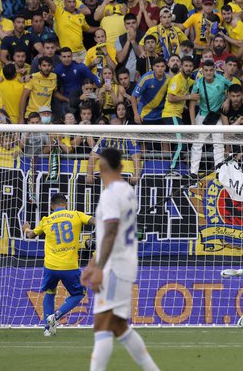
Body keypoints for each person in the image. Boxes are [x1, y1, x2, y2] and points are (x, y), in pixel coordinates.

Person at [81, 148, 160, 371]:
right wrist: (92, 264)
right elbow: (109, 234)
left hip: (114, 266)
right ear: (122, 167)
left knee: (101, 325)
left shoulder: (110, 195)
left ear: (100, 167)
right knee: (118, 326)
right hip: (124, 262)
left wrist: (99, 267)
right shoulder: (127, 190)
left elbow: (112, 231)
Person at [23, 193, 96, 336]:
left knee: (50, 292)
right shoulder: (76, 215)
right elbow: (95, 221)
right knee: (79, 293)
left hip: (50, 267)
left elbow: (31, 235)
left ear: (51, 206)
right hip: (69, 266)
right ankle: (55, 317)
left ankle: (47, 329)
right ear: (66, 204)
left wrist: (26, 228)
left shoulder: (46, 220)